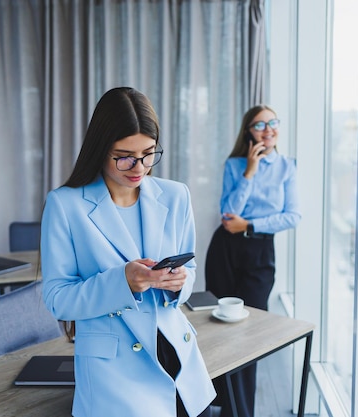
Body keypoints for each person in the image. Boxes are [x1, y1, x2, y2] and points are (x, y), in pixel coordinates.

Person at [40, 87, 216, 417]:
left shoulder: (175, 196)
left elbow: (190, 273)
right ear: (99, 149)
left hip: (180, 364)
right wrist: (124, 282)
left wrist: (179, 282)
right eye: (124, 156)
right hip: (115, 378)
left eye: (149, 154)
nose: (139, 166)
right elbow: (57, 298)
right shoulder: (65, 205)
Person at [205, 104, 301, 417]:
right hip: (225, 250)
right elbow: (227, 212)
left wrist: (250, 225)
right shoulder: (235, 165)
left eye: (273, 122)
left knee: (249, 334)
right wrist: (249, 171)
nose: (268, 129)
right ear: (249, 132)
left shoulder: (288, 166)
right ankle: (218, 403)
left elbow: (292, 216)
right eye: (260, 125)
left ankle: (241, 412)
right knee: (220, 328)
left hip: (259, 252)